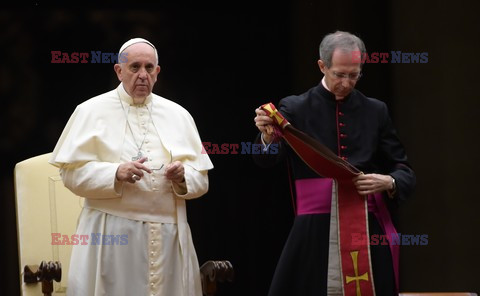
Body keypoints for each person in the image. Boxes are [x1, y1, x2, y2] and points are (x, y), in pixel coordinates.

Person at [253, 31, 416, 295]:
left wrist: (389, 181)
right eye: (340, 74)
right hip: (313, 228)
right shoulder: (294, 108)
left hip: (366, 223)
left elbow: (404, 169)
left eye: (354, 75)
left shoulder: (376, 110)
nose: (347, 83)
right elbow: (265, 160)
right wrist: (266, 137)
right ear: (322, 66)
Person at [49, 38, 213, 296]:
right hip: (111, 235)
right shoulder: (90, 111)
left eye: (149, 68)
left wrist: (182, 177)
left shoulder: (179, 115)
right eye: (134, 67)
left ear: (157, 73)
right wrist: (114, 172)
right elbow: (70, 174)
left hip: (168, 237)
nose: (142, 75)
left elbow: (201, 182)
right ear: (118, 70)